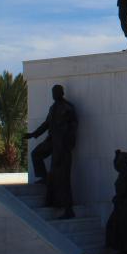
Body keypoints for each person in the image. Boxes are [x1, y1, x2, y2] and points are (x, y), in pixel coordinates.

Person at [23, 84, 78, 218]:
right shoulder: (53, 108)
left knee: (62, 178)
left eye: (56, 92)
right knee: (36, 154)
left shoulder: (68, 108)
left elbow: (73, 128)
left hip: (62, 145)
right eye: (53, 92)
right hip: (52, 141)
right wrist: (33, 134)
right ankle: (44, 177)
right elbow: (46, 124)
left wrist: (67, 144)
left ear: (61, 93)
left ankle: (67, 209)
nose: (53, 95)